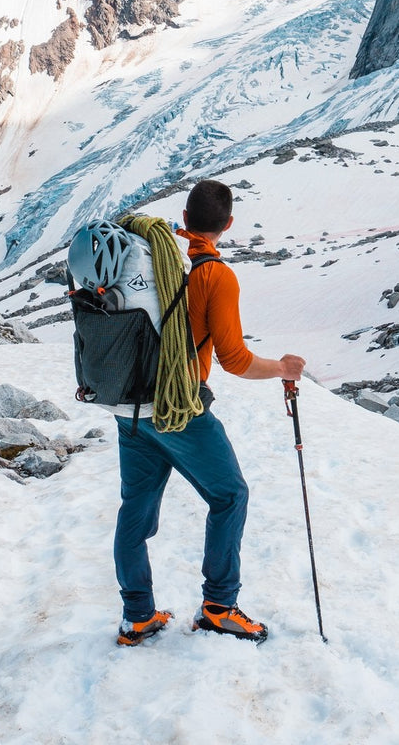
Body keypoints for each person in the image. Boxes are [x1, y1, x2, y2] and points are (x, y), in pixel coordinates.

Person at [114, 179, 306, 646]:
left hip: (129, 404)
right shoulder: (214, 275)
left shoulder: (165, 258)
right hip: (179, 407)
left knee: (136, 508)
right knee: (230, 495)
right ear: (229, 224)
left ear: (185, 216)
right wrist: (283, 367)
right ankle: (218, 606)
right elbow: (234, 359)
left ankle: (137, 616)